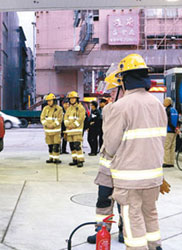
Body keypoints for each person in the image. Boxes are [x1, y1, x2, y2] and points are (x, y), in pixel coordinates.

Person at [104, 54, 169, 250]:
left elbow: (110, 147)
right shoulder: (157, 104)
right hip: (153, 176)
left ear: (124, 79)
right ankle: (155, 246)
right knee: (150, 212)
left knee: (133, 218)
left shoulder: (120, 107)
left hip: (129, 178)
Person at [87, 65, 125, 245]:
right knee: (103, 199)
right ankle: (102, 230)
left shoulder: (129, 109)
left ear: (122, 89)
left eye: (112, 91)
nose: (109, 95)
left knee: (123, 202)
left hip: (125, 166)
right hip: (107, 167)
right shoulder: (109, 110)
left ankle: (124, 230)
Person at [64, 91, 86, 167]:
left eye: (73, 98)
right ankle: (75, 159)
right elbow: (65, 118)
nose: (72, 100)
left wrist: (72, 125)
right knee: (72, 146)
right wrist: (67, 124)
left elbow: (81, 119)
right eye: (71, 99)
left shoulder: (80, 108)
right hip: (70, 131)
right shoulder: (69, 109)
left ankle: (80, 160)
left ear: (77, 99)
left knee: (77, 146)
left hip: (77, 131)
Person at [40, 93, 63, 163]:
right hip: (48, 131)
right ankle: (51, 157)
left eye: (50, 101)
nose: (49, 102)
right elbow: (42, 118)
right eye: (48, 101)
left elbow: (59, 119)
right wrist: (47, 124)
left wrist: (53, 125)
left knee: (56, 145)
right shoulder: (45, 109)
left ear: (54, 101)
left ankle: (56, 158)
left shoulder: (59, 109)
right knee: (50, 145)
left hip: (56, 131)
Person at [163, 97, 179, 168]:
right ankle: (172, 162)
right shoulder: (175, 110)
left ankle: (167, 162)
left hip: (169, 131)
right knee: (172, 147)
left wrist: (173, 128)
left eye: (165, 101)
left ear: (168, 102)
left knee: (166, 147)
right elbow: (177, 121)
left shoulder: (168, 110)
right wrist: (176, 129)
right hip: (174, 132)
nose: (163, 103)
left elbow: (168, 121)